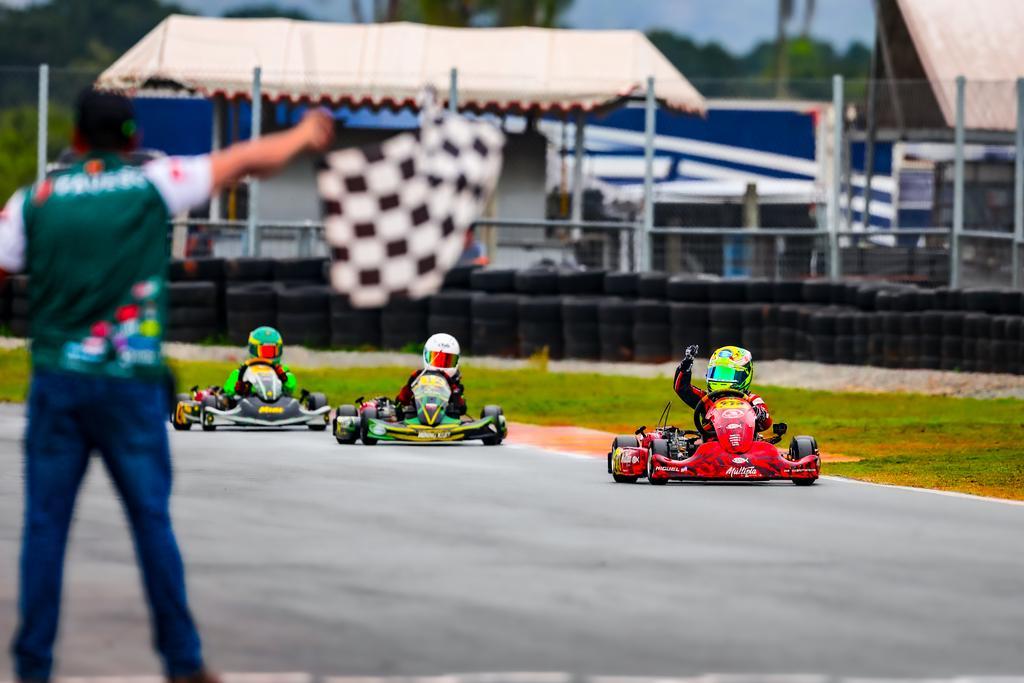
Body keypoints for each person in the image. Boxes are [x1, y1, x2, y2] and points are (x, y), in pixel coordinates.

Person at [0, 88, 334, 683]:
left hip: (57, 382)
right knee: (151, 521)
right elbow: (246, 159)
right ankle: (183, 662)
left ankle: (32, 669)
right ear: (131, 138)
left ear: (75, 139)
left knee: (46, 529)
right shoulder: (154, 182)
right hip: (130, 383)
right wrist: (305, 135)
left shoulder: (36, 199)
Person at [673, 344, 773, 434]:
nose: (721, 379)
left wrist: (759, 414)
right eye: (717, 373)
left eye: (727, 374)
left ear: (744, 375)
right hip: (712, 446)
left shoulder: (752, 400)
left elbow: (766, 424)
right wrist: (685, 366)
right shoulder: (707, 400)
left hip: (748, 447)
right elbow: (682, 388)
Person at [395, 333, 467, 416]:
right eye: (437, 360)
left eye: (447, 361)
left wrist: (455, 393)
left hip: (447, 419)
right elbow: (400, 401)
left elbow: (462, 408)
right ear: (426, 356)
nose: (441, 367)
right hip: (414, 417)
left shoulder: (454, 382)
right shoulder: (417, 376)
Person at [223, 326, 297, 399]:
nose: (268, 357)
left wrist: (283, 378)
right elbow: (228, 390)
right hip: (250, 403)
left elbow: (291, 387)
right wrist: (239, 388)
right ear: (254, 349)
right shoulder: (243, 371)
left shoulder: (282, 370)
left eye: (271, 351)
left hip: (278, 403)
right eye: (265, 352)